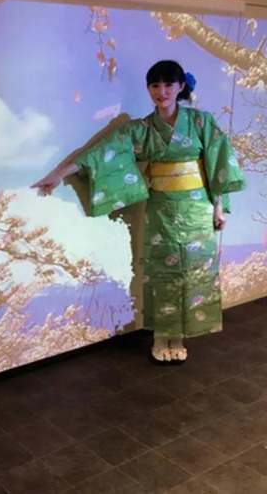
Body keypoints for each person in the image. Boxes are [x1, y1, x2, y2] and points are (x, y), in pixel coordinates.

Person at [32, 60, 246, 365]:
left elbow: (218, 162)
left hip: (198, 208)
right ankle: (161, 336)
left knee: (194, 271)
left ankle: (179, 337)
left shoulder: (201, 121)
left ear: (181, 87)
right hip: (161, 209)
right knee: (162, 272)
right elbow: (102, 152)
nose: (162, 92)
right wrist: (57, 175)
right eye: (155, 85)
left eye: (168, 85)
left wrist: (219, 207)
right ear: (149, 89)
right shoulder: (142, 129)